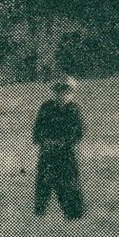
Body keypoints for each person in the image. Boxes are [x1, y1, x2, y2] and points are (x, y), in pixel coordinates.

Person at [33, 75, 86, 219]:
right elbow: (38, 128)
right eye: (58, 91)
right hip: (47, 153)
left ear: (72, 93)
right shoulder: (46, 107)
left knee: (69, 185)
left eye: (66, 91)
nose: (61, 95)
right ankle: (39, 215)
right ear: (54, 92)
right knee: (44, 183)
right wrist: (44, 141)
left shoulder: (74, 109)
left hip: (66, 154)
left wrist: (63, 142)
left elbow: (78, 133)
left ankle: (74, 216)